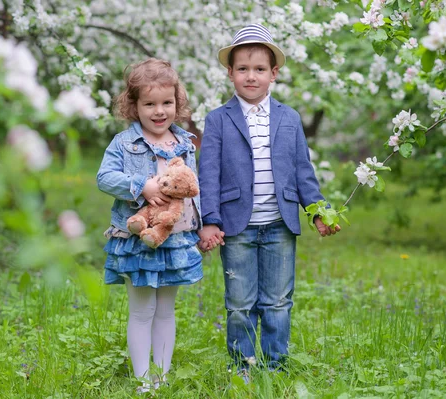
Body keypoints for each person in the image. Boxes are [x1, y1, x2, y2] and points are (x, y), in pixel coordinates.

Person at [197, 24, 340, 376]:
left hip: (279, 225)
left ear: (274, 73)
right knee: (240, 304)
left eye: (259, 69)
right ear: (229, 72)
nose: (251, 76)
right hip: (237, 227)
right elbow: (209, 173)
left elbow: (302, 171)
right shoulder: (218, 120)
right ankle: (242, 368)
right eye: (242, 69)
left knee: (277, 302)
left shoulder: (289, 119)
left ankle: (275, 367)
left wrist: (319, 212)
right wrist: (210, 219)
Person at [97, 58, 202, 393]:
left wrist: (203, 228)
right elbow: (105, 177)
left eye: (167, 103)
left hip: (175, 240)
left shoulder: (184, 142)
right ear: (134, 106)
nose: (160, 111)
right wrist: (141, 185)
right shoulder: (123, 143)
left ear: (177, 103)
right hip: (140, 240)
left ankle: (162, 375)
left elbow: (192, 189)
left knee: (166, 311)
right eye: (150, 104)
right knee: (143, 310)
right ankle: (143, 380)